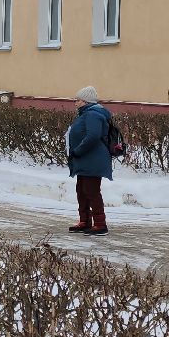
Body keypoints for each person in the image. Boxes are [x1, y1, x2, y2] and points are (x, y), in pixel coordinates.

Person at [66, 86, 115, 236]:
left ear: (86, 101)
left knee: (91, 191)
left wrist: (78, 151)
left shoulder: (93, 114)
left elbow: (93, 136)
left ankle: (100, 225)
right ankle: (84, 221)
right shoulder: (86, 114)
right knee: (81, 190)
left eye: (78, 100)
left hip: (93, 159)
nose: (75, 103)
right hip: (85, 160)